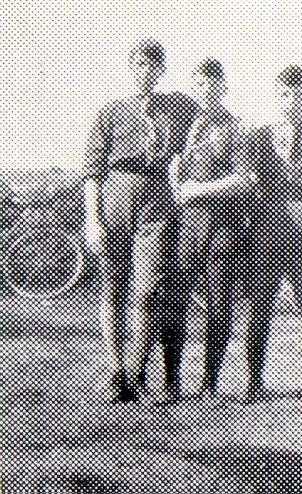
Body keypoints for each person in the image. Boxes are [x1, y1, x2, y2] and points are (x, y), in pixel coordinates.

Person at [83, 39, 198, 404]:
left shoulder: (179, 106)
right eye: (138, 64)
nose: (144, 71)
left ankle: (136, 374)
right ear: (130, 68)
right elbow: (92, 171)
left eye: (151, 65)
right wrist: (92, 220)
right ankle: (117, 371)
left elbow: (209, 120)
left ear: (161, 70)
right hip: (115, 196)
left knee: (149, 289)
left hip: (157, 198)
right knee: (113, 290)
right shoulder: (110, 111)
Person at [235, 65, 302, 404]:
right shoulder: (256, 138)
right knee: (259, 305)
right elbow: (246, 184)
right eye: (283, 94)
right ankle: (253, 381)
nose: (290, 100)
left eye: (297, 94)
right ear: (275, 97)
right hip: (267, 232)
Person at [167, 58, 254, 400]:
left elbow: (244, 180)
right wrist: (175, 177)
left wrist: (195, 190)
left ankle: (209, 383)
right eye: (200, 85)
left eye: (213, 85)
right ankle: (172, 381)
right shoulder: (182, 125)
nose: (206, 91)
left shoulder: (235, 128)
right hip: (186, 226)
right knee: (176, 300)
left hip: (222, 227)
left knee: (219, 304)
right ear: (193, 88)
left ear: (224, 88)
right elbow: (171, 166)